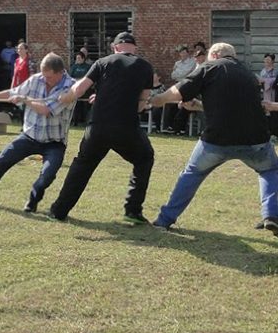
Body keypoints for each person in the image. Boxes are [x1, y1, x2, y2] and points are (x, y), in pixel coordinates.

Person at [150, 42, 278, 235]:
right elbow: (238, 107)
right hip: (256, 138)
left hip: (217, 139)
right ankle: (271, 215)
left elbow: (181, 90)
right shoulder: (249, 75)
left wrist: (159, 99)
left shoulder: (211, 67)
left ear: (216, 55)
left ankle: (164, 220)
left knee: (191, 174)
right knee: (269, 171)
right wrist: (200, 105)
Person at [49, 32, 155, 223]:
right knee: (145, 158)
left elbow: (80, 89)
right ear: (134, 48)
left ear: (115, 47)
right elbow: (141, 103)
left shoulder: (103, 62)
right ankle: (133, 210)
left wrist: (63, 98)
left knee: (82, 165)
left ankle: (59, 210)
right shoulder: (146, 67)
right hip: (127, 128)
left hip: (98, 126)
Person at [0, 53, 75, 212]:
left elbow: (46, 110)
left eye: (49, 77)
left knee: (46, 177)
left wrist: (24, 99)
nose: (45, 79)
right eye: (44, 76)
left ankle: (33, 199)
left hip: (54, 144)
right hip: (29, 137)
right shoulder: (36, 79)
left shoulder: (71, 87)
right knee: (0, 163)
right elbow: (13, 92)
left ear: (60, 72)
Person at [69, 51, 91, 125]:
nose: (77, 59)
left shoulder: (87, 67)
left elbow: (89, 77)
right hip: (75, 88)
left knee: (86, 105)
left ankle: (86, 121)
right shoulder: (74, 67)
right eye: (76, 58)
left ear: (83, 58)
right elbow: (70, 77)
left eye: (79, 58)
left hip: (86, 89)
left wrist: (81, 80)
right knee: (76, 106)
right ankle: (75, 122)